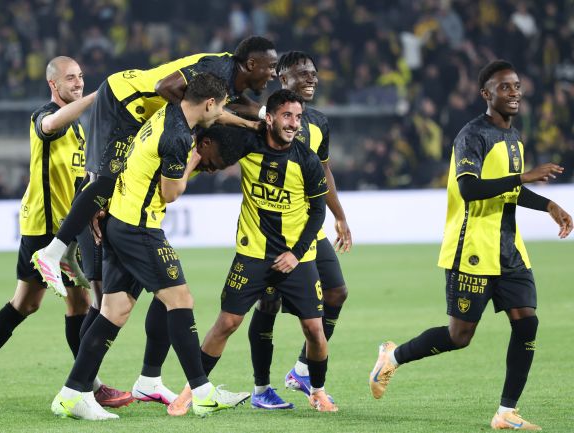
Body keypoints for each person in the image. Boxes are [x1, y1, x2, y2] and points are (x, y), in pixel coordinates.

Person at [369, 60, 572, 431]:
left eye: (516, 86)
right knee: (459, 336)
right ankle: (392, 357)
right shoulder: (472, 135)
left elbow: (508, 188)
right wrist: (524, 177)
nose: (513, 93)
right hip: (472, 248)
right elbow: (470, 188)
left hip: (509, 249)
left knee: (527, 323)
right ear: (486, 94)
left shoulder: (514, 137)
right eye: (504, 87)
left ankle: (506, 412)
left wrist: (548, 206)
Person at [50, 73, 250, 421]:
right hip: (138, 228)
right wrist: (192, 161)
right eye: (219, 109)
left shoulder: (166, 112)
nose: (220, 115)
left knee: (114, 311)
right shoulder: (178, 137)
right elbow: (171, 193)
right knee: (180, 300)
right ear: (208, 104)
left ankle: (71, 394)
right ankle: (203, 393)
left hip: (119, 220)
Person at [0, 56, 131, 413]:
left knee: (29, 304)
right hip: (45, 229)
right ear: (53, 84)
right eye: (70, 78)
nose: (78, 83)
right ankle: (90, 387)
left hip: (64, 228)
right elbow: (50, 124)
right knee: (74, 303)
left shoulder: (78, 129)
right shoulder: (45, 116)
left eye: (81, 77)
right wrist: (96, 97)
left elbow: (80, 180)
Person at [32, 36, 278, 298]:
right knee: (105, 181)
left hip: (135, 107)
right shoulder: (217, 69)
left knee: (99, 180)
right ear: (252, 64)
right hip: (123, 100)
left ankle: (68, 250)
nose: (274, 74)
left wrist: (256, 120)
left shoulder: (227, 76)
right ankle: (51, 253)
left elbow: (219, 108)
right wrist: (180, 125)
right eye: (272, 67)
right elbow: (165, 86)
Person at [169, 89, 338, 415]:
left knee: (315, 330)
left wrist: (296, 253)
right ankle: (192, 390)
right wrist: (187, 167)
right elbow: (212, 146)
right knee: (226, 323)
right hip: (253, 254)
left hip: (296, 258)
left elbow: (318, 213)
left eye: (298, 117)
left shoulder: (307, 160)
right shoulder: (247, 145)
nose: (294, 123)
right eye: (287, 116)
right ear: (270, 117)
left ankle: (317, 391)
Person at [246, 51, 351, 409]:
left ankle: (303, 370)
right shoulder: (263, 118)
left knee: (337, 292)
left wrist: (339, 216)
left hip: (309, 227)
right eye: (302, 73)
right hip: (272, 230)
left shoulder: (318, 121)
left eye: (314, 73)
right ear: (282, 78)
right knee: (268, 304)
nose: (311, 78)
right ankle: (261, 389)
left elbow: (324, 171)